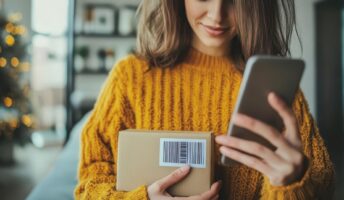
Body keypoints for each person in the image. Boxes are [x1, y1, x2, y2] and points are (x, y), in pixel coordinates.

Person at [74, 0, 335, 199]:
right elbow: (89, 185)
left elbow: (323, 185)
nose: (217, 14)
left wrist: (289, 186)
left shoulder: (275, 91)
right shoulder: (130, 78)